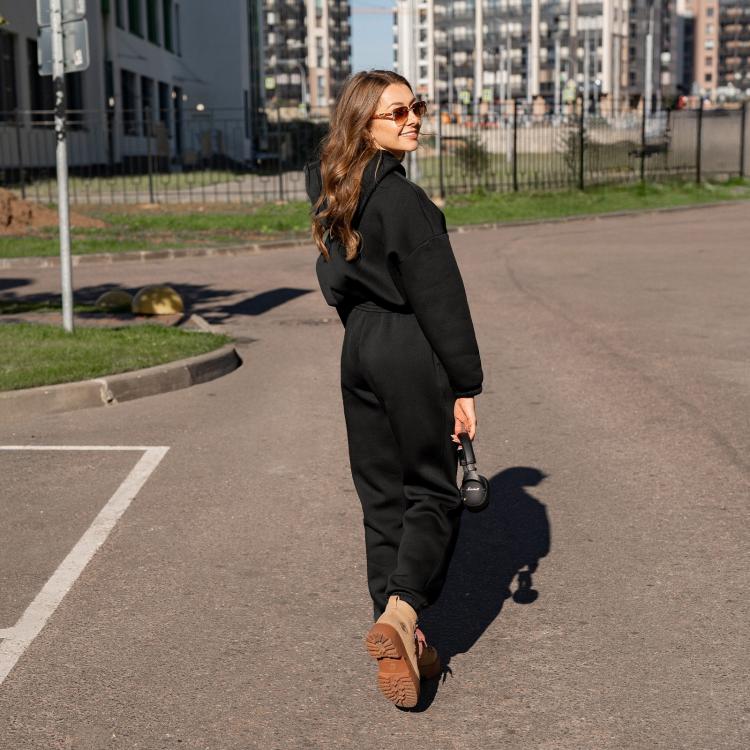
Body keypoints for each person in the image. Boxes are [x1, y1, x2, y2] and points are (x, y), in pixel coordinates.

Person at [303, 70, 483, 709]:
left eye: (417, 107)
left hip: (360, 346)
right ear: (364, 124)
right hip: (409, 345)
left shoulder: (332, 190)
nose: (414, 121)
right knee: (432, 490)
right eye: (398, 112)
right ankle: (403, 612)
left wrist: (365, 330)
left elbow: (331, 279)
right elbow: (442, 302)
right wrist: (464, 384)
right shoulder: (405, 203)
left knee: (380, 496)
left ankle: (402, 632)